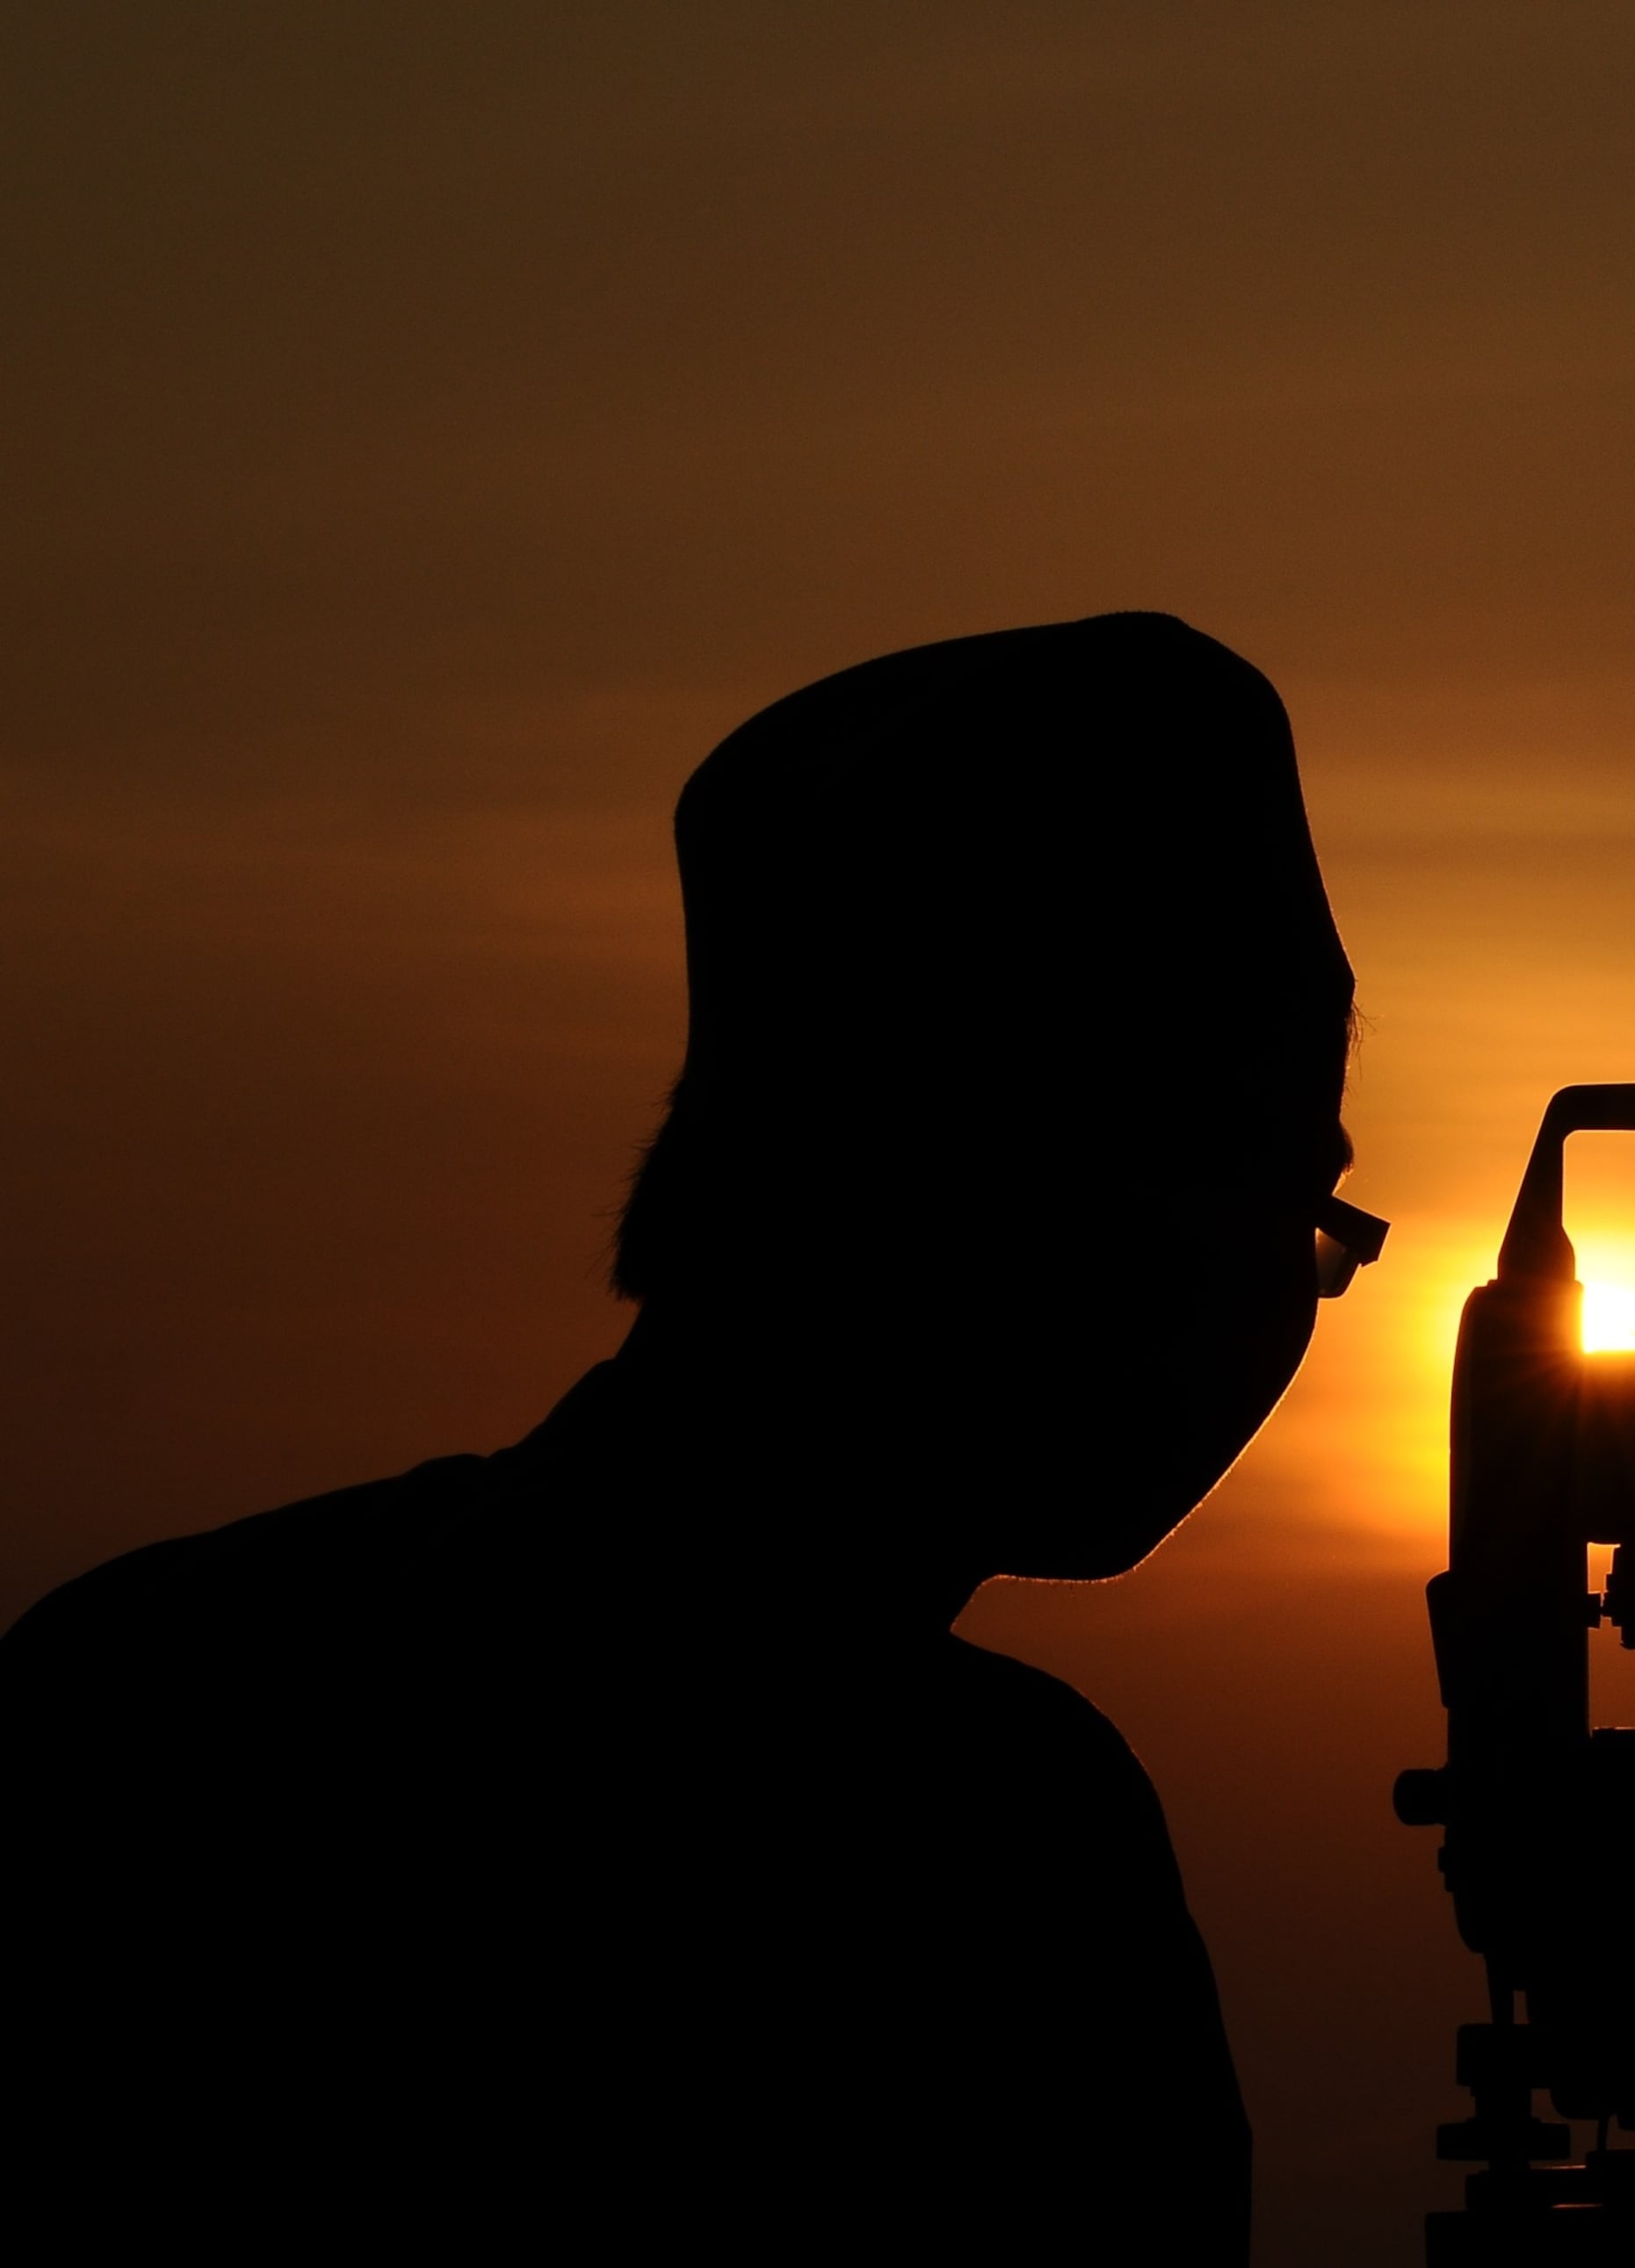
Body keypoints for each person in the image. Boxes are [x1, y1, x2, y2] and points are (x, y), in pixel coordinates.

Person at [0, 613, 1379, 2258]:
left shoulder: (143, 1664)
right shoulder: (981, 1853)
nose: (1282, 1302)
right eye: (1293, 1203)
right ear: (1034, 1189)